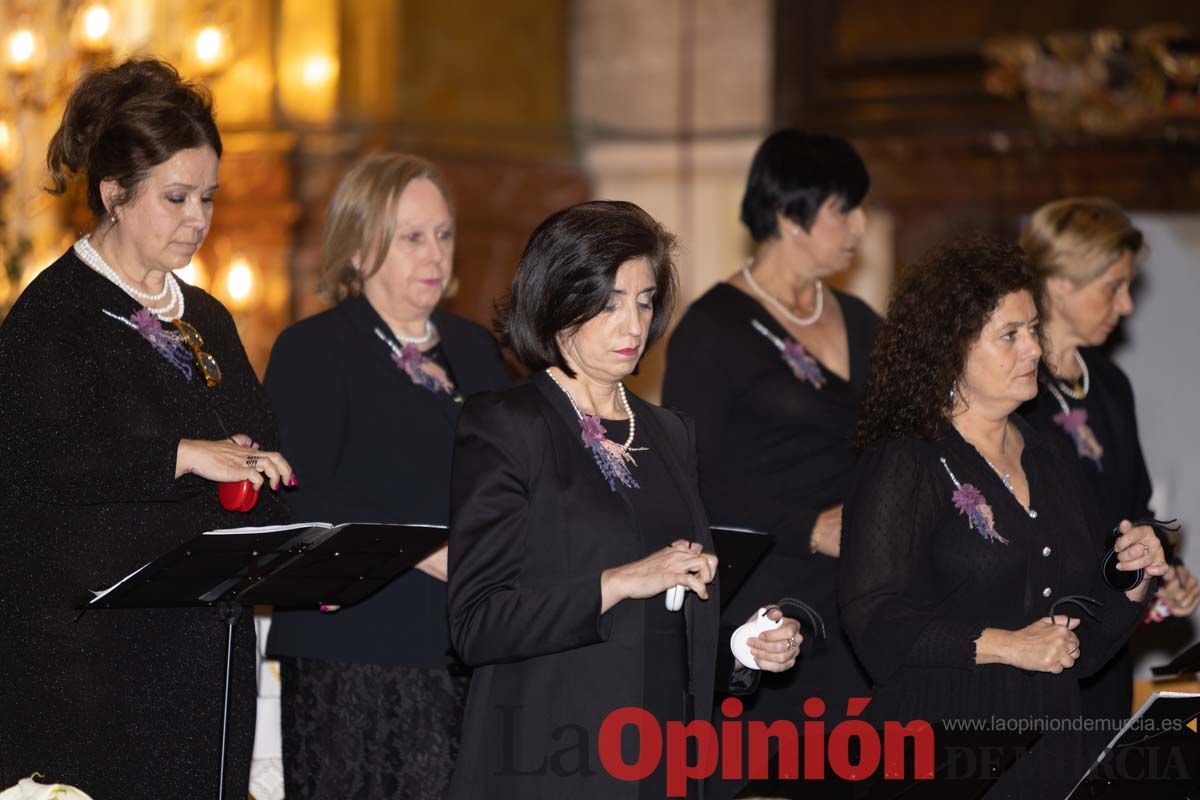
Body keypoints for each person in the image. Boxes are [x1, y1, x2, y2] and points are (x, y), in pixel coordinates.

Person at [0, 59, 294, 796]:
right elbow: (32, 473)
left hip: (207, 659)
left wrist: (265, 475)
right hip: (96, 675)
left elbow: (250, 445)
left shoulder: (209, 318)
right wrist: (179, 457)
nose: (198, 218)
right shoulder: (53, 317)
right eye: (176, 197)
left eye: (208, 198)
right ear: (115, 195)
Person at [447, 200, 805, 799]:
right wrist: (617, 582)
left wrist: (742, 645)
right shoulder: (508, 424)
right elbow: (477, 624)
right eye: (609, 302)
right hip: (552, 760)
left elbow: (671, 618)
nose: (633, 325)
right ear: (558, 300)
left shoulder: (669, 433)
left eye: (643, 302)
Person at [839, 236, 1168, 798]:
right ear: (951, 349)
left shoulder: (1051, 456)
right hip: (943, 755)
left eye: (1034, 329)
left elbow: (1080, 643)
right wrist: (1005, 645)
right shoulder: (908, 459)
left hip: (1053, 752)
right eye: (1010, 336)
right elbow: (874, 623)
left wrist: (1133, 581)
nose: (1034, 350)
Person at [263, 153, 508, 798]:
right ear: (360, 247)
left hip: (469, 642)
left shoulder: (476, 350)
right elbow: (298, 495)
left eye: (445, 234)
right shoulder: (313, 349)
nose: (435, 255)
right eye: (412, 237)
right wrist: (424, 549)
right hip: (354, 650)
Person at [662, 131, 878, 762]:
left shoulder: (862, 319)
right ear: (789, 214)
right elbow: (689, 475)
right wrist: (809, 526)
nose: (860, 225)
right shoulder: (713, 329)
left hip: (864, 594)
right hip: (769, 599)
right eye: (844, 209)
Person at [1018, 197, 1200, 727]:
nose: (1124, 306)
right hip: (1042, 641)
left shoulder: (1111, 383)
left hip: (1109, 644)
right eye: (1113, 287)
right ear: (1058, 284)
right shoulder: (1014, 390)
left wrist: (1163, 570)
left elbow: (1135, 507)